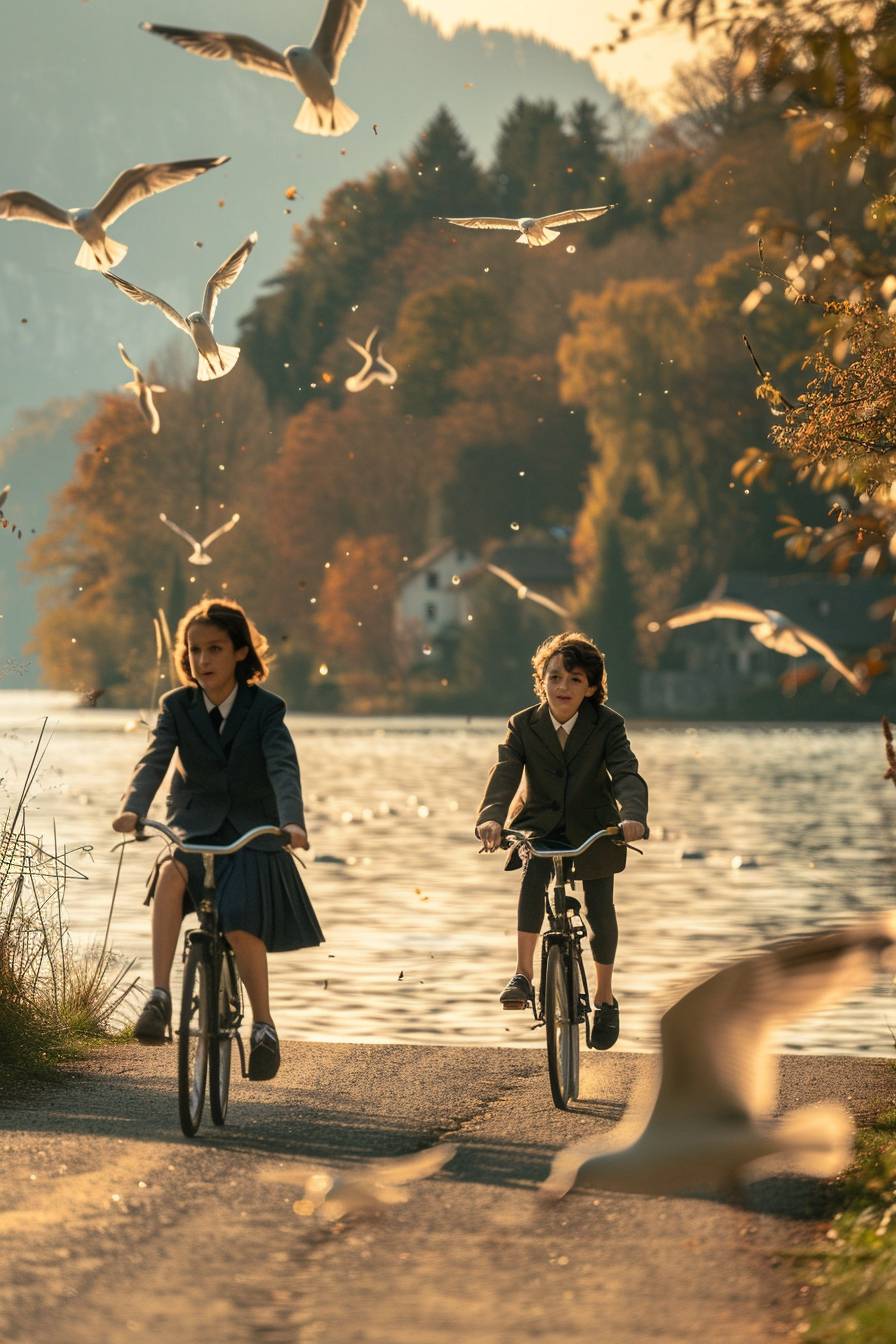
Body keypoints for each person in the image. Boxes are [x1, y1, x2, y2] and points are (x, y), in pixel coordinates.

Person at [112, 597, 323, 1081]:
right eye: (194, 651)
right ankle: (161, 996)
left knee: (241, 921)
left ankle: (264, 1027)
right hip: (193, 824)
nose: (202, 661)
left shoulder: (266, 709)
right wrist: (133, 809)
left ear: (241, 653)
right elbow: (153, 760)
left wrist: (292, 822)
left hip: (252, 832)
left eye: (214, 649)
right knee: (170, 873)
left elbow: (282, 766)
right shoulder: (176, 707)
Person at [475, 632, 648, 1050]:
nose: (563, 687)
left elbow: (625, 772)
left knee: (600, 906)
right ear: (541, 682)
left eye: (574, 679)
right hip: (541, 826)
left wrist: (633, 816)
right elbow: (506, 773)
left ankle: (605, 998)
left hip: (596, 829)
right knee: (533, 877)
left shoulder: (608, 725)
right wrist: (491, 817)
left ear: (591, 687)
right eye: (554, 677)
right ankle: (523, 975)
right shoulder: (523, 724)